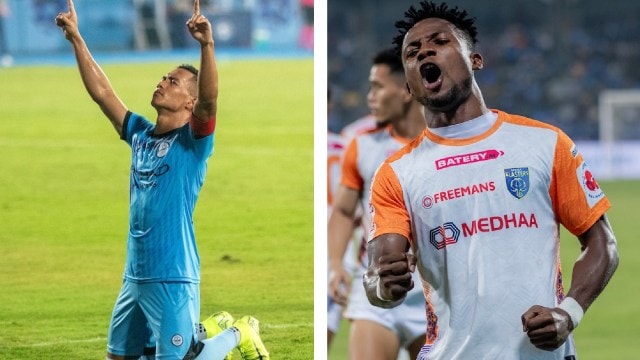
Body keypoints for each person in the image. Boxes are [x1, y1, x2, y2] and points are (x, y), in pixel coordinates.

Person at [365, 2, 619, 359]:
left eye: (441, 41)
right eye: (413, 51)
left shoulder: (545, 143)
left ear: (475, 60)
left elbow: (602, 244)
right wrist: (384, 285)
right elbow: (379, 277)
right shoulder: (395, 173)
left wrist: (569, 313)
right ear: (408, 83)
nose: (425, 50)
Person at [55, 0, 269, 359]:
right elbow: (103, 94)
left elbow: (211, 102)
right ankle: (204, 332)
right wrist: (76, 38)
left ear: (190, 103)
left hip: (173, 277)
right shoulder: (139, 133)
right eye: (164, 78)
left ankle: (237, 333)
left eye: (174, 82)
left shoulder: (193, 144)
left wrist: (206, 45)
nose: (163, 82)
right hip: (134, 277)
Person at [328, 48, 427, 360]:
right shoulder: (363, 145)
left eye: (378, 87)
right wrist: (334, 264)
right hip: (374, 285)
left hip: (433, 292)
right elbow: (344, 211)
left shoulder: (446, 147)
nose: (369, 96)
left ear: (407, 91)